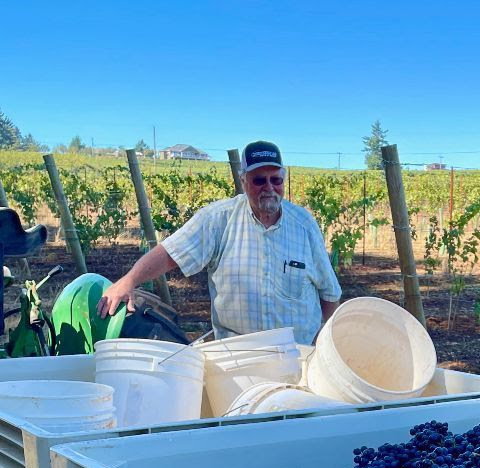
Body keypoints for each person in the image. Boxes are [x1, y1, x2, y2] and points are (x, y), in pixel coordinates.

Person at [97, 141, 341, 345]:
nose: (269, 188)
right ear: (244, 181)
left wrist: (324, 344)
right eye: (259, 181)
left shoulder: (304, 224)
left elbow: (329, 292)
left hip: (298, 355)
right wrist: (128, 281)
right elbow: (171, 253)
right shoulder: (218, 219)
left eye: (275, 180)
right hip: (239, 359)